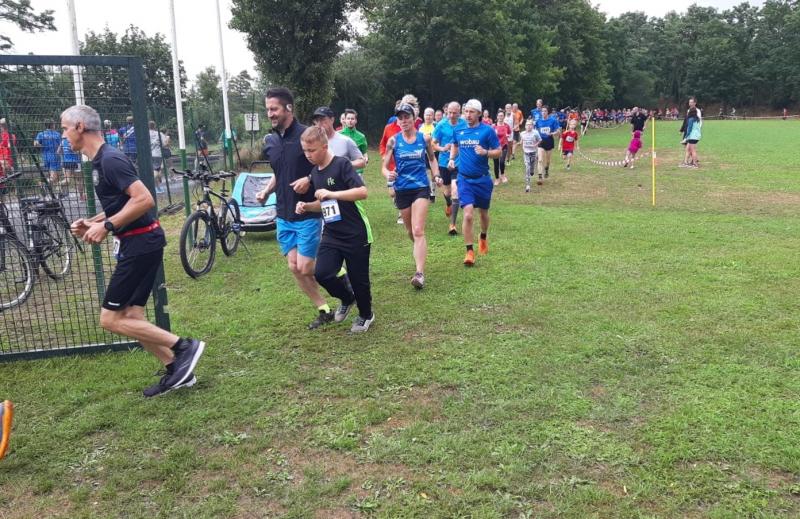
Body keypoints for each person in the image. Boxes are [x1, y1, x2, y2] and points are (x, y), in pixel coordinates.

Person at [65, 104, 204, 398]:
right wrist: (94, 222)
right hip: (141, 243)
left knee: (110, 319)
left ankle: (184, 347)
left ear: (79, 127)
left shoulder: (110, 159)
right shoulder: (101, 161)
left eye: (65, 128)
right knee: (132, 317)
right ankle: (177, 370)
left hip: (141, 245)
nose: (63, 135)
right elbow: (121, 204)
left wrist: (108, 226)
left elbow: (144, 199)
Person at [255, 87, 337, 330]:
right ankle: (323, 308)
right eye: (268, 109)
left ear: (288, 108)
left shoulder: (306, 135)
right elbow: (279, 173)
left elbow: (328, 164)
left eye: (274, 109)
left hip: (307, 211)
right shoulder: (270, 141)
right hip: (283, 213)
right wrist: (266, 191)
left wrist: (309, 180)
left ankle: (340, 274)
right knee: (294, 266)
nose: (270, 113)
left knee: (305, 266)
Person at [296, 126, 375, 332]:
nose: (308, 155)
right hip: (332, 232)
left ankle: (366, 315)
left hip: (355, 232)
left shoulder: (341, 165)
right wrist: (307, 206)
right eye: (305, 150)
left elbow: (362, 192)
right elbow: (323, 203)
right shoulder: (315, 172)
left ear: (324, 146)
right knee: (322, 273)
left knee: (359, 280)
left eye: (311, 150)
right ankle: (347, 298)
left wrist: (333, 194)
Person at [382, 103, 442, 289]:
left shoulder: (424, 138)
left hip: (421, 187)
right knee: (410, 231)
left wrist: (436, 175)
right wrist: (388, 174)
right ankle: (419, 247)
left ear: (414, 118)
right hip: (402, 189)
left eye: (407, 117)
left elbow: (432, 159)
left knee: (417, 230)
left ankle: (419, 274)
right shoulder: (393, 141)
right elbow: (384, 167)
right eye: (400, 118)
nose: (403, 120)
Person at [449, 99, 501, 266]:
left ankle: (483, 236)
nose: (468, 115)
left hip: (483, 179)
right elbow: (455, 145)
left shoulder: (487, 131)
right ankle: (469, 251)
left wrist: (486, 152)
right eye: (466, 111)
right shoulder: (459, 130)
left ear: (479, 113)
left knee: (483, 213)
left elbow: (498, 152)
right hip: (464, 179)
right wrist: (451, 158)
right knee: (468, 214)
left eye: (471, 112)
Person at [432, 101, 467, 235]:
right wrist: (442, 148)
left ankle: (452, 225)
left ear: (459, 112)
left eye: (455, 113)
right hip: (443, 162)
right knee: (447, 192)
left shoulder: (464, 124)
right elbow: (433, 144)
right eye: (450, 113)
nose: (452, 115)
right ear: (447, 112)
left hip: (459, 162)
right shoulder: (441, 125)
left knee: (455, 191)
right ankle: (448, 204)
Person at [311, 106, 365, 172]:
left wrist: (344, 164)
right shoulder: (312, 142)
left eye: (323, 119)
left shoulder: (345, 141)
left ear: (332, 120)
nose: (319, 123)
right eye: (317, 120)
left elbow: (362, 162)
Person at [535, 106, 561, 184]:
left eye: (545, 111)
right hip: (541, 142)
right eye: (542, 111)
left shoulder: (553, 120)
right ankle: (540, 177)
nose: (543, 112)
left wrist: (552, 133)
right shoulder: (538, 121)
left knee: (547, 160)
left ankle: (546, 169)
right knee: (540, 160)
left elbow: (558, 131)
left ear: (548, 112)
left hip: (549, 142)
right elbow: (535, 131)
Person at [339, 108, 369, 176]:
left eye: (352, 119)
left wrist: (366, 158)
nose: (350, 121)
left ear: (356, 121)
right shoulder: (338, 135)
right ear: (345, 120)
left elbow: (364, 152)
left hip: (357, 172)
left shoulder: (361, 137)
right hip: (342, 171)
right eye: (348, 118)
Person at [34, 121, 62, 188]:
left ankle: (57, 191)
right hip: (54, 156)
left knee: (54, 175)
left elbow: (35, 144)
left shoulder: (41, 134)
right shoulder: (57, 134)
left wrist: (42, 145)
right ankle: (43, 184)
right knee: (54, 176)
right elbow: (61, 145)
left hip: (45, 156)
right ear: (52, 125)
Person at [419, 107, 438, 201]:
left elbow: (438, 139)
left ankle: (432, 194)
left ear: (433, 116)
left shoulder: (436, 126)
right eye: (427, 115)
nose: (428, 117)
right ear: (424, 115)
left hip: (434, 153)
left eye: (430, 115)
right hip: (423, 154)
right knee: (425, 173)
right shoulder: (420, 127)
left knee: (433, 174)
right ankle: (427, 191)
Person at [679, 98, 702, 169]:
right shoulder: (696, 119)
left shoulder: (691, 119)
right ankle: (686, 162)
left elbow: (689, 128)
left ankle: (695, 164)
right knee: (688, 149)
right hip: (696, 135)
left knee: (692, 150)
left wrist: (686, 137)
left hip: (692, 136)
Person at [520, 119, 542, 193]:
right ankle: (528, 185)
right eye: (527, 125)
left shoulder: (535, 133)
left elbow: (540, 140)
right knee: (527, 167)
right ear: (525, 126)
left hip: (533, 152)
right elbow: (522, 140)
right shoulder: (522, 133)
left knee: (532, 165)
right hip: (526, 152)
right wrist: (519, 143)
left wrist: (535, 145)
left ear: (532, 126)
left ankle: (532, 170)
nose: (529, 126)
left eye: (530, 125)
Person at [61, 135, 84, 200]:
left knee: (67, 180)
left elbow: (58, 151)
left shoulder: (63, 141)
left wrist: (66, 154)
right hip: (75, 162)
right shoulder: (75, 139)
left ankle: (60, 185)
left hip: (66, 162)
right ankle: (81, 197)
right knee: (79, 180)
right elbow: (79, 152)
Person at [149, 121, 169, 194]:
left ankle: (157, 186)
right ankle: (156, 187)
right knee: (156, 170)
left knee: (156, 169)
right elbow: (165, 144)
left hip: (148, 154)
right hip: (157, 154)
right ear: (154, 126)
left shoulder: (145, 134)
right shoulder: (159, 134)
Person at [492, 111, 511, 185]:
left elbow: (509, 132)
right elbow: (490, 135)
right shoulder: (493, 126)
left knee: (502, 161)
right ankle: (497, 179)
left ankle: (502, 175)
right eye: (499, 116)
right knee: (496, 163)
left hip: (504, 145)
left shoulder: (506, 125)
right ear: (497, 117)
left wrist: (508, 135)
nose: (500, 117)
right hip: (495, 146)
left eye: (502, 116)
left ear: (504, 117)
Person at [0, 119, 17, 183]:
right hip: (3, 157)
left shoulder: (10, 136)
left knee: (4, 165)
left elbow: (10, 146)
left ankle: (10, 173)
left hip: (6, 157)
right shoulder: (3, 135)